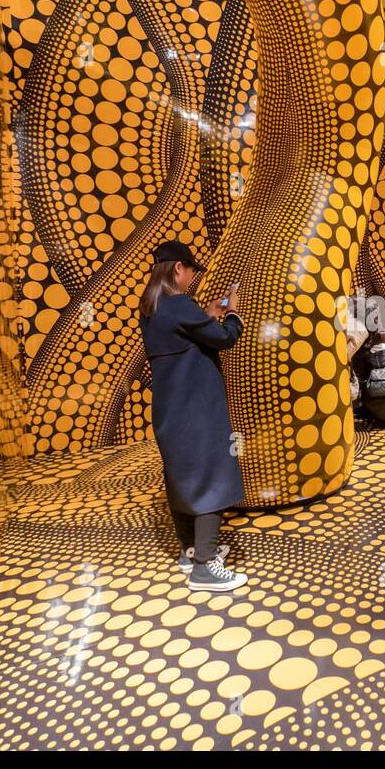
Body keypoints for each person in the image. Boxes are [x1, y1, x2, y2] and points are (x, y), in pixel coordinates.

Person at [138, 240, 248, 592]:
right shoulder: (179, 304)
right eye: (189, 272)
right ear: (177, 270)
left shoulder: (151, 307)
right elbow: (224, 339)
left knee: (181, 477)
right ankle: (205, 567)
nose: (191, 280)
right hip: (197, 409)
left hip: (171, 410)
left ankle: (189, 552)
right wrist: (232, 314)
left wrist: (206, 313)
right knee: (211, 478)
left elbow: (187, 334)